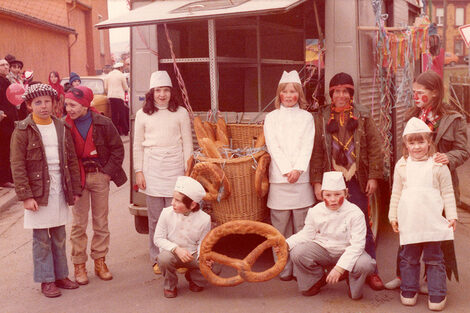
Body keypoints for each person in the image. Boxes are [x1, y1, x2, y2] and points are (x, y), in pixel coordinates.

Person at [385, 70, 469, 291]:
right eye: (413, 92)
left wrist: (447, 158)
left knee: (435, 234)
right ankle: (403, 276)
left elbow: (463, 150)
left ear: (434, 93)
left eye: (419, 92)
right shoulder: (410, 116)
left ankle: (427, 280)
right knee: (408, 228)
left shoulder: (453, 118)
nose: (415, 96)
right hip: (413, 182)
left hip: (439, 185)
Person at [310, 72, 385, 290]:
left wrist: (373, 176)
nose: (341, 95)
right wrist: (317, 181)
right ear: (331, 94)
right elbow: (316, 151)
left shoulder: (362, 115)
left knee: (362, 223)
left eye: (345, 91)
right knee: (328, 226)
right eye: (336, 92)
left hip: (356, 178)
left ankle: (371, 270)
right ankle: (332, 270)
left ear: (350, 93)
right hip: (331, 179)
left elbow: (375, 147)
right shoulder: (322, 117)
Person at [10, 84, 82, 298]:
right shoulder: (22, 129)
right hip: (38, 192)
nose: (43, 106)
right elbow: (17, 164)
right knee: (41, 238)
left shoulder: (61, 127)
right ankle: (46, 280)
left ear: (54, 103)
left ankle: (61, 276)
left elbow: (71, 159)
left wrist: (74, 189)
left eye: (47, 101)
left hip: (59, 188)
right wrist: (26, 196)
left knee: (59, 234)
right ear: (29, 105)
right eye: (38, 102)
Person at [388, 117, 457, 311]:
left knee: (434, 258)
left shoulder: (438, 165)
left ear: (429, 142)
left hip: (432, 220)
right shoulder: (401, 166)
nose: (417, 147)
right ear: (406, 144)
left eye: (421, 142)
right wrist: (393, 216)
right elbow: (396, 193)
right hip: (410, 220)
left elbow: (447, 192)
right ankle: (409, 288)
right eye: (412, 142)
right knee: (409, 256)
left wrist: (451, 215)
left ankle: (437, 292)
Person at [65, 85, 127, 285]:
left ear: (84, 105)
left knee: (101, 222)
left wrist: (107, 173)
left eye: (73, 105)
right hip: (78, 179)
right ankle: (79, 264)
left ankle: (100, 261)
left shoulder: (103, 123)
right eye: (67, 105)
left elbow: (118, 150)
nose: (69, 109)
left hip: (100, 175)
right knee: (78, 225)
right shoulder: (63, 125)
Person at [133, 70, 193, 275]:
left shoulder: (181, 113)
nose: (162, 95)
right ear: (152, 93)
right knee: (156, 219)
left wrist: (188, 169)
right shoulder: (142, 115)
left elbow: (187, 143)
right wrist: (138, 171)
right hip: (152, 170)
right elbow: (137, 146)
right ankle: (157, 257)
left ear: (171, 92)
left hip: (175, 169)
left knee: (178, 217)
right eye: (158, 90)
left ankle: (180, 257)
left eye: (166, 90)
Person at [284, 171, 375, 299]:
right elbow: (307, 235)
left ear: (346, 192)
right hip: (324, 250)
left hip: (346, 250)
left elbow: (357, 246)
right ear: (322, 195)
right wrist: (285, 244)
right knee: (297, 252)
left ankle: (352, 281)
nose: (333, 199)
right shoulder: (315, 211)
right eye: (328, 195)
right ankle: (317, 279)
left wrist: (339, 269)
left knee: (365, 264)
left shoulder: (355, 213)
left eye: (338, 194)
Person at [264, 70, 315, 281]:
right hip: (280, 179)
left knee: (301, 227)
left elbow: (307, 145)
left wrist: (298, 169)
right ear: (279, 94)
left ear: (299, 94)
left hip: (301, 180)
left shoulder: (307, 117)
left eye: (293, 91)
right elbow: (272, 146)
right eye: (285, 92)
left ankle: (300, 267)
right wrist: (286, 169)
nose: (289, 95)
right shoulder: (271, 117)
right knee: (280, 228)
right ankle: (283, 268)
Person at [154, 176, 216, 298]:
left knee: (214, 265)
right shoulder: (166, 213)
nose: (172, 203)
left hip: (191, 254)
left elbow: (202, 243)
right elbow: (158, 238)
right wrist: (176, 249)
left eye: (178, 201)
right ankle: (170, 285)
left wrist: (203, 258)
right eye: (173, 198)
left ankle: (194, 278)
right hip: (171, 253)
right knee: (163, 259)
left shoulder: (204, 219)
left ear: (192, 205)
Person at [0, 58, 16, 187]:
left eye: (6, 64)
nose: (5, 67)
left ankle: (8, 177)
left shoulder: (9, 80)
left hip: (10, 120)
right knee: (4, 149)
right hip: (2, 120)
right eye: (2, 65)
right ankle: (4, 179)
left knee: (9, 149)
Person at [105, 62, 129, 135]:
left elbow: (106, 87)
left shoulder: (108, 75)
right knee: (122, 114)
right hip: (119, 97)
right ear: (120, 68)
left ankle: (114, 131)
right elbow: (125, 87)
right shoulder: (121, 75)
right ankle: (125, 131)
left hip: (111, 96)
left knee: (114, 115)